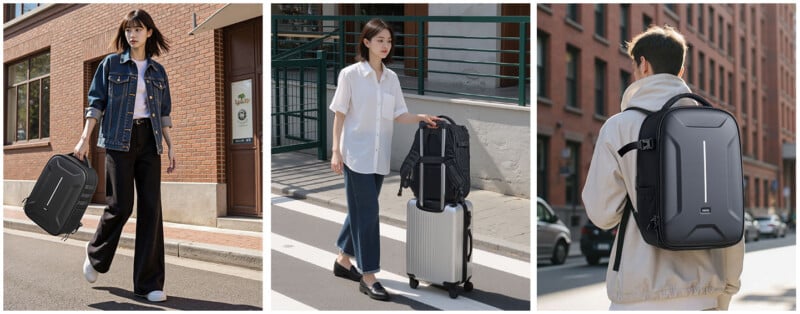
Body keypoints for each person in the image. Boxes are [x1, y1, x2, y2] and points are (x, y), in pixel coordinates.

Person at [582, 25, 744, 310]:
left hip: (637, 294)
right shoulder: (716, 128)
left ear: (642, 64)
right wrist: (726, 290)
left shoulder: (618, 128)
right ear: (681, 71)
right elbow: (731, 218)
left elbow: (601, 214)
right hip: (704, 294)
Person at [328, 18, 440, 301]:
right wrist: (335, 151)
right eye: (380, 41)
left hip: (379, 157)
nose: (386, 46)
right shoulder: (350, 75)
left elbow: (399, 114)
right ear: (366, 42)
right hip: (355, 155)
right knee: (368, 214)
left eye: (389, 41)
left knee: (361, 210)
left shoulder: (391, 79)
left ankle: (343, 261)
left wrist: (421, 117)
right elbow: (339, 115)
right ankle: (369, 276)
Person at [73, 9, 176, 303]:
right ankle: (95, 256)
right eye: (129, 29)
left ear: (149, 33)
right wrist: (84, 139)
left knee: (151, 210)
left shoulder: (158, 72)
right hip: (119, 140)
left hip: (150, 141)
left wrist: (170, 146)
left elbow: (164, 113)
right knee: (120, 205)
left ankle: (148, 283)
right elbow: (96, 105)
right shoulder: (110, 65)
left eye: (138, 29)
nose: (132, 34)